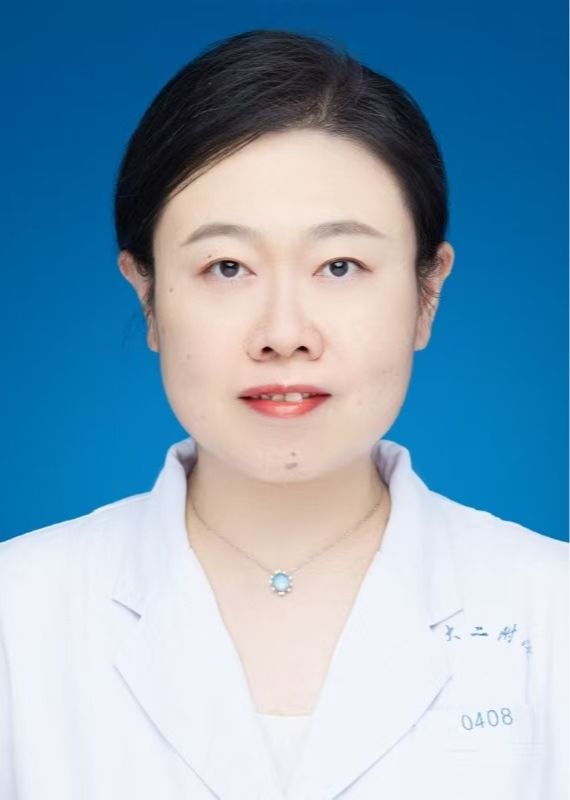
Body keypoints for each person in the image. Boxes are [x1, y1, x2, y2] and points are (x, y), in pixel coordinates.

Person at [0, 28, 567, 800]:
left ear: (427, 292)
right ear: (148, 295)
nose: (284, 333)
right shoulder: (18, 615)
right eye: (227, 266)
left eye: (340, 265)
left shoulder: (553, 611)